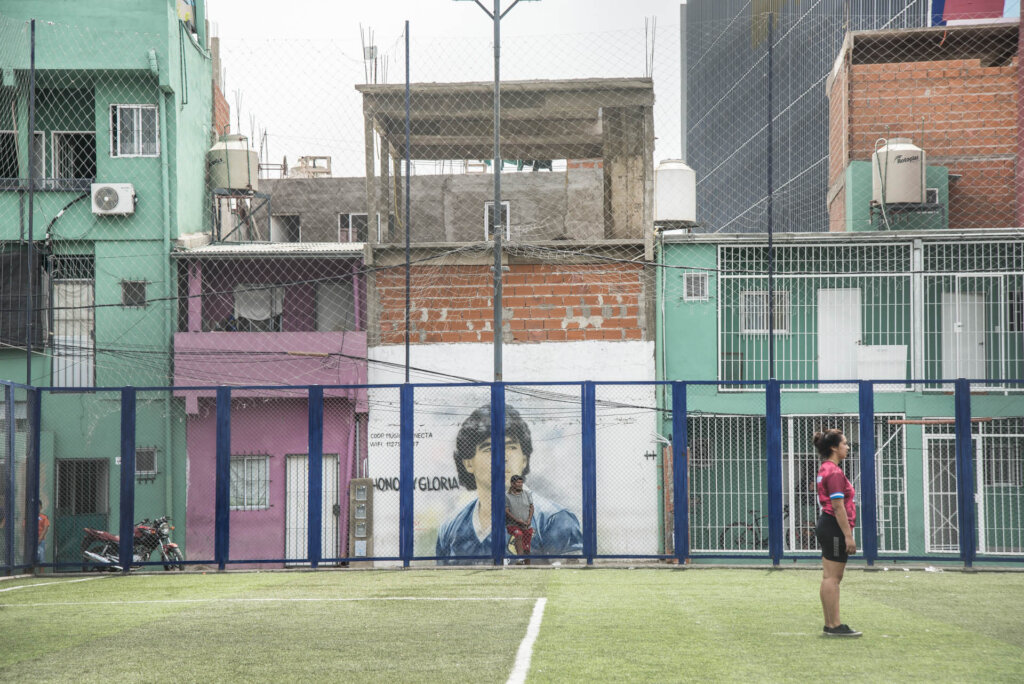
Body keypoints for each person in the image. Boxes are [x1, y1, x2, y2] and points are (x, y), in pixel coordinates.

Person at [435, 403, 582, 564]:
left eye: (510, 447)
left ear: (524, 460)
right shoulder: (450, 528)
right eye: (489, 448)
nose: (502, 457)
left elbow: (570, 582)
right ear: (468, 463)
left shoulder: (553, 519)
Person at [814, 428, 862, 638]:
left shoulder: (826, 468)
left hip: (829, 525)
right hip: (834, 526)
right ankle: (834, 625)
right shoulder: (833, 472)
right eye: (844, 443)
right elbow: (838, 505)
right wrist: (848, 536)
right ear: (834, 447)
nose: (847, 447)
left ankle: (831, 624)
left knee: (830, 577)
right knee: (833, 578)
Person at [505, 474, 534, 564]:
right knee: (519, 534)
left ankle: (528, 567)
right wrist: (517, 520)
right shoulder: (506, 495)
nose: (520, 484)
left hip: (526, 524)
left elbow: (531, 507)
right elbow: (506, 511)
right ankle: (520, 558)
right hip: (513, 524)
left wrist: (529, 519)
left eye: (521, 482)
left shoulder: (527, 494)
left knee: (527, 548)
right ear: (512, 484)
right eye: (518, 482)